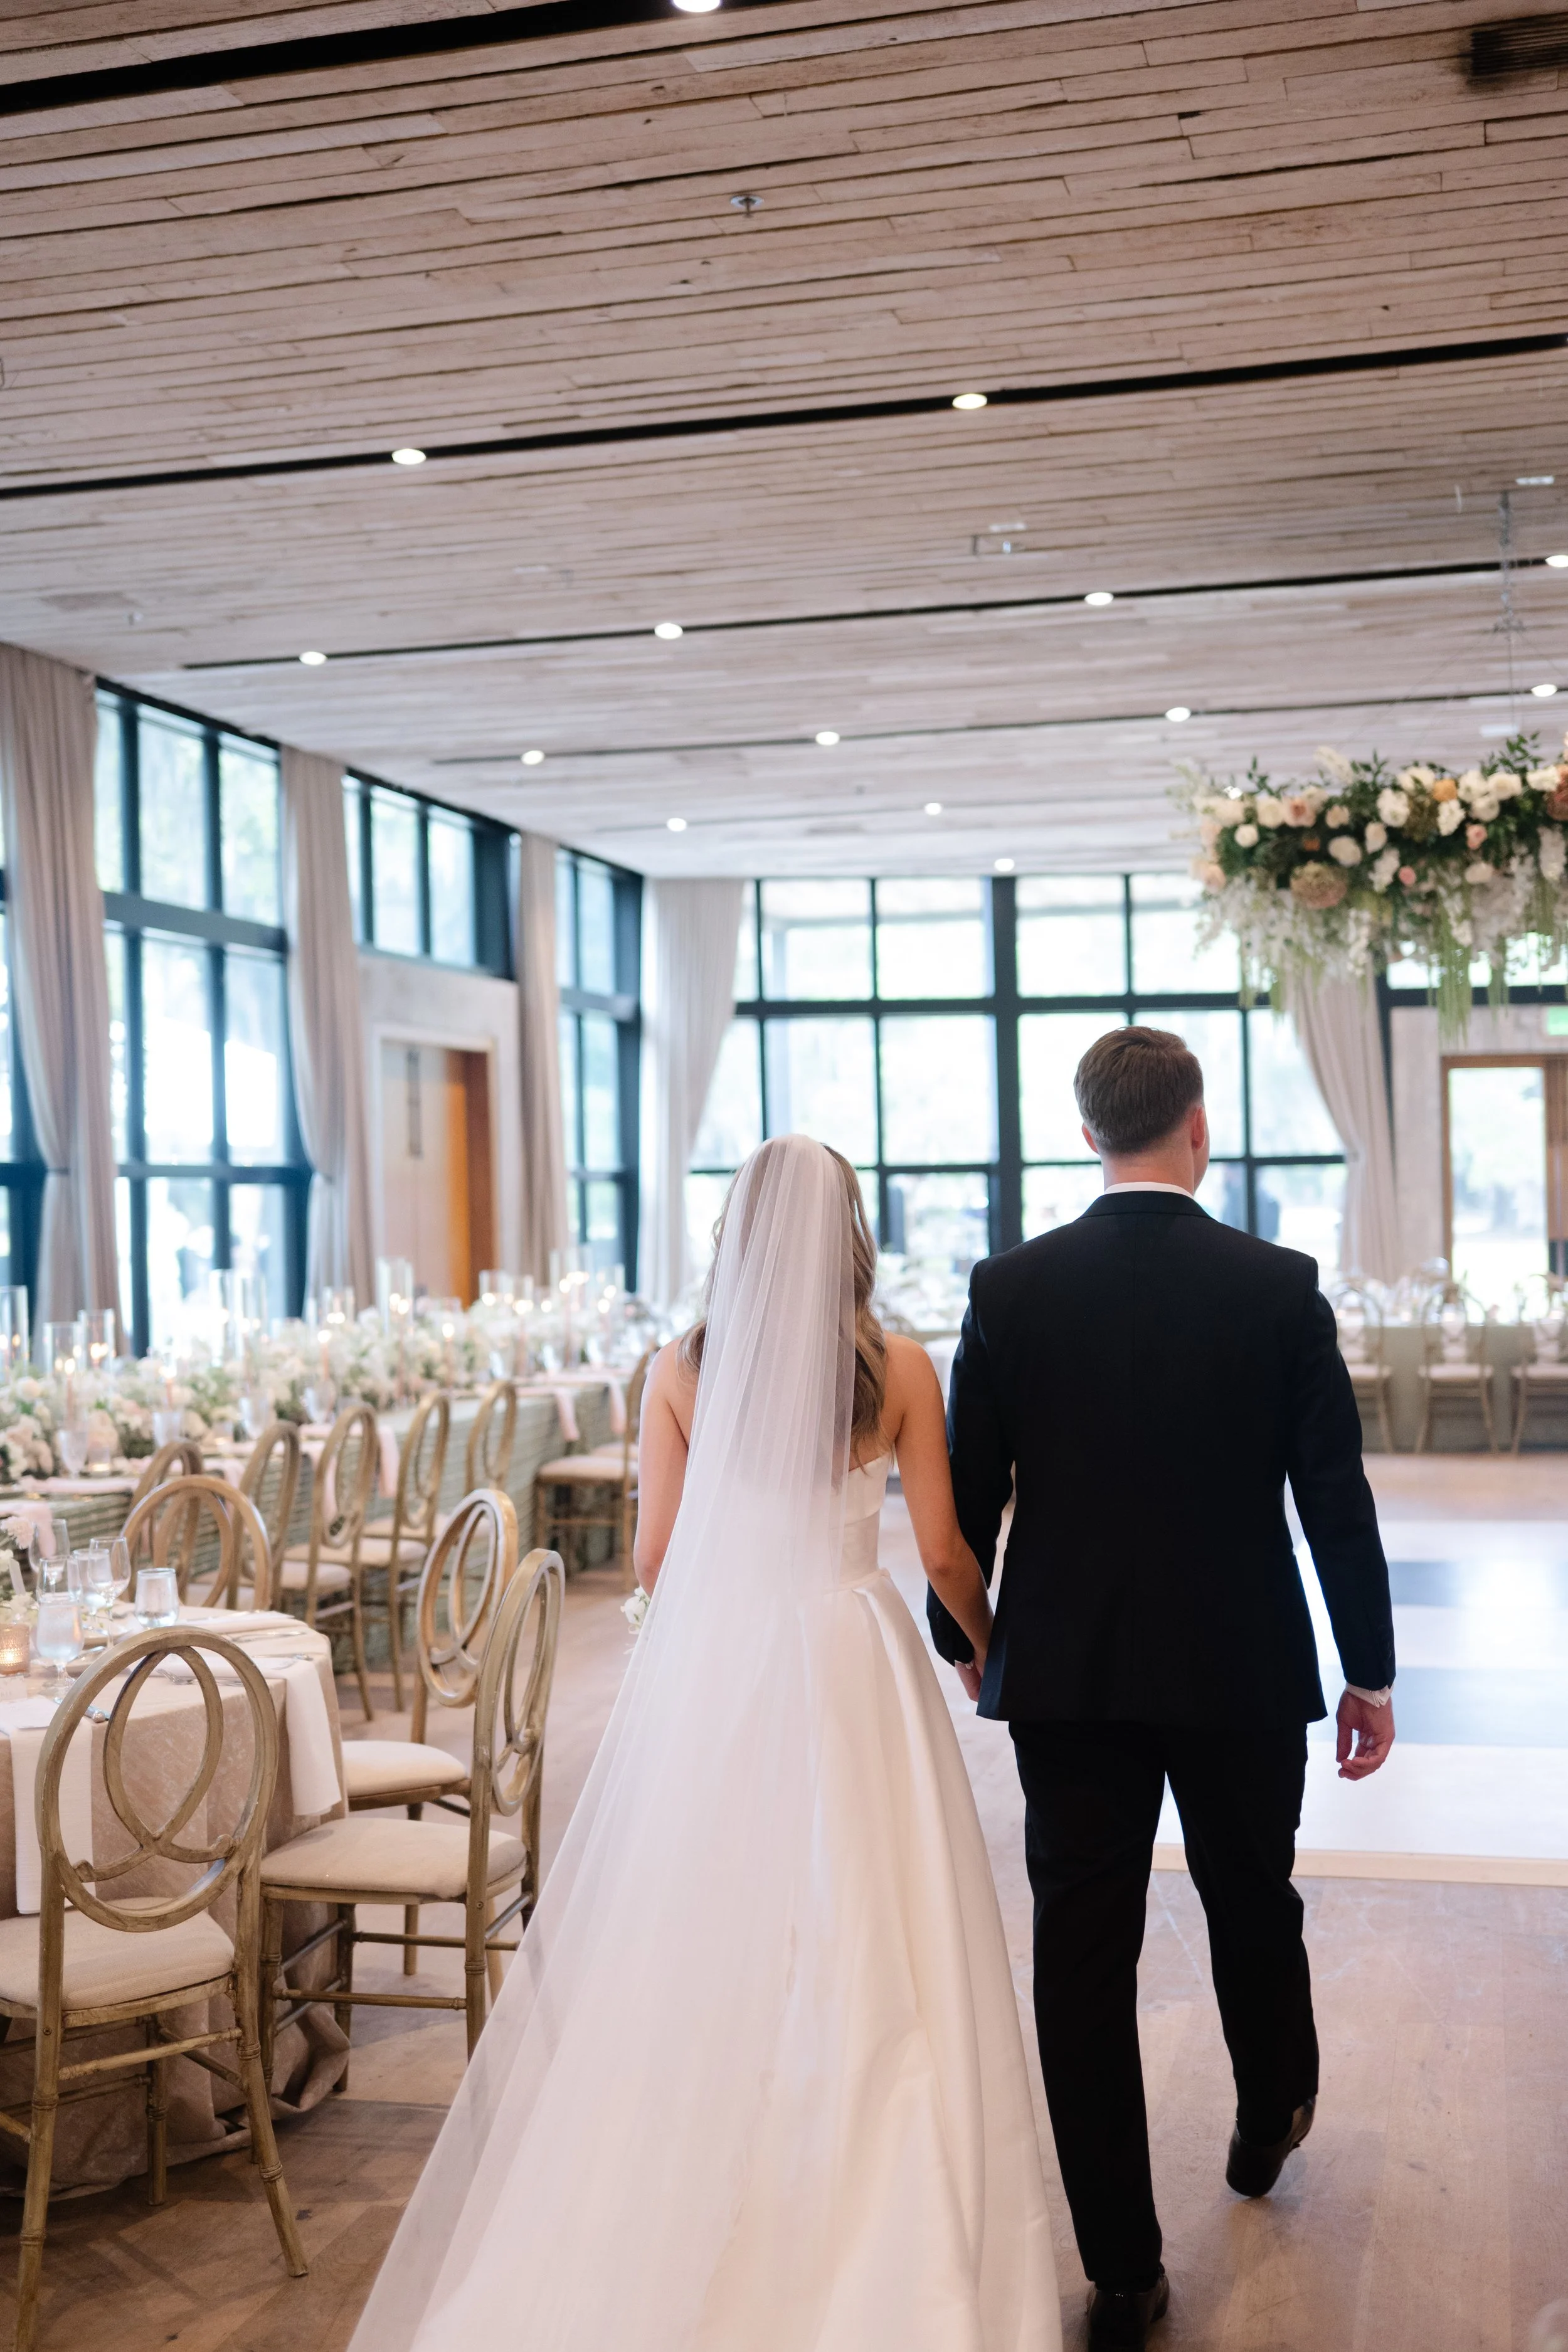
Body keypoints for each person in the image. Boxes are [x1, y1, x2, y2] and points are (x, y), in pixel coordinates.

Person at [351, 1133, 1059, 2352]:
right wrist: (987, 1644)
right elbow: (944, 1550)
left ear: (733, 1235)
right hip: (854, 1656)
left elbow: (655, 1560)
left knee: (712, 1919)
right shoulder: (893, 1367)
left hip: (732, 1662)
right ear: (849, 1232)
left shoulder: (677, 1369)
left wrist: (711, 1627)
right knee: (873, 1917)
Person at [930, 1026, 1396, 2351]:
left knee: (1079, 1960)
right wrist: (1365, 1667)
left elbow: (964, 1504)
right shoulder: (1274, 1286)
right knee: (1254, 1896)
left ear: (1087, 1137)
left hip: (1068, 1674)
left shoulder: (1008, 1289)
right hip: (1241, 1664)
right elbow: (1332, 1507)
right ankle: (1270, 2103)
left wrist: (961, 1639)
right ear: (1197, 1127)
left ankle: (1122, 2277)